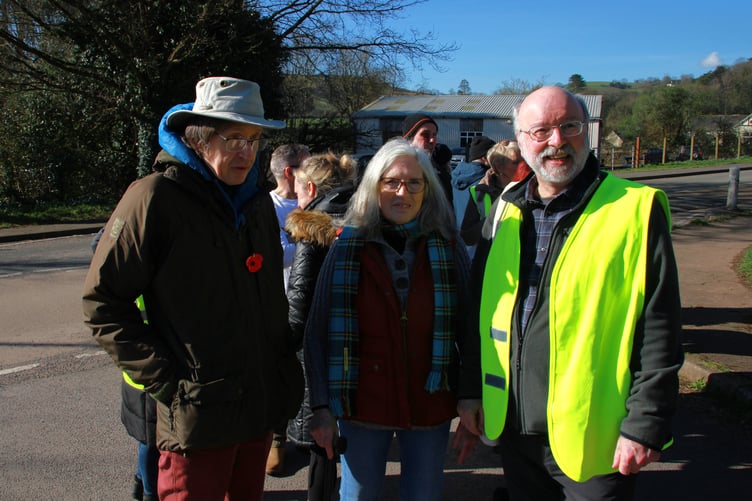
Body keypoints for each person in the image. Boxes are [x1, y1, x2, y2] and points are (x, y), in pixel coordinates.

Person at [455, 86, 683, 500]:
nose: (557, 141)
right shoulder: (506, 209)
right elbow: (481, 313)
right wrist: (471, 390)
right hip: (514, 428)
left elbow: (660, 328)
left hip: (596, 438)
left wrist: (645, 424)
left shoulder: (635, 208)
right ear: (521, 140)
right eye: (541, 131)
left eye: (569, 126)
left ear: (588, 132)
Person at [83, 76, 304, 501]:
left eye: (255, 139)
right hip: (197, 416)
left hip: (257, 408)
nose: (247, 152)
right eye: (235, 137)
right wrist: (168, 383)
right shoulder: (155, 198)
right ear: (200, 137)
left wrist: (280, 373)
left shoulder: (255, 200)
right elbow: (102, 303)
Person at [305, 138, 472, 501]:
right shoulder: (345, 247)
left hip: (431, 399)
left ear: (427, 189)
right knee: (360, 494)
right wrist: (320, 407)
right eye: (391, 181)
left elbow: (469, 329)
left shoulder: (448, 245)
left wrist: (471, 396)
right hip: (362, 400)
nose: (403, 191)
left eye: (414, 182)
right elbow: (317, 332)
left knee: (423, 494)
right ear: (374, 186)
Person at [284, 152, 356, 500]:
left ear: (310, 187)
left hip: (318, 346)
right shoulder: (362, 216)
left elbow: (300, 297)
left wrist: (283, 345)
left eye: (297, 188)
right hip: (356, 341)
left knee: (319, 437)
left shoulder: (311, 228)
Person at [266, 142, 311, 476]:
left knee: (307, 376)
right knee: (279, 376)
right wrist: (311, 240)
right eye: (306, 166)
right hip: (279, 307)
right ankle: (277, 442)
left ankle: (305, 434)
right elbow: (274, 257)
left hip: (307, 304)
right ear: (289, 172)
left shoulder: (310, 202)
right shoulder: (267, 207)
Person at [459, 139, 530, 250]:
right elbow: (467, 237)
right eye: (516, 162)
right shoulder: (480, 192)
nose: (523, 166)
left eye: (524, 161)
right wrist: (493, 219)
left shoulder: (532, 189)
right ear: (499, 167)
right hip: (491, 259)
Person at [401, 113, 454, 205]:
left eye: (434, 135)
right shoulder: (395, 172)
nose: (432, 140)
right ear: (409, 138)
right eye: (425, 135)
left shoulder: (440, 174)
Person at [451, 135, 495, 226]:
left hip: (458, 232)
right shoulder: (485, 179)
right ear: (485, 157)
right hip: (478, 233)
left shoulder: (455, 176)